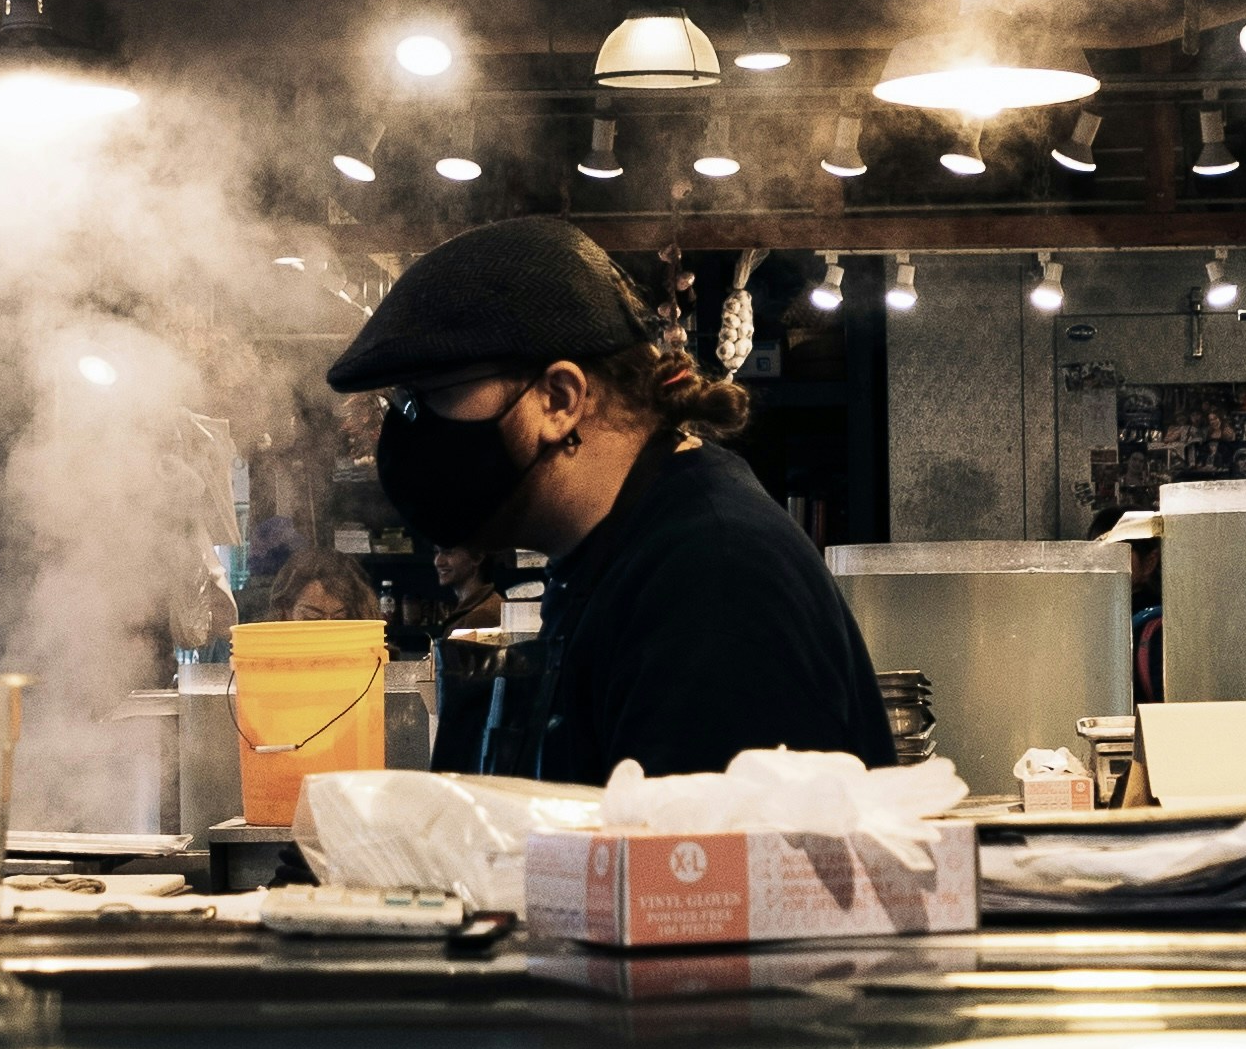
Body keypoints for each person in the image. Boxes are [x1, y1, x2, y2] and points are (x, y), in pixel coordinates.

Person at [326, 218, 888, 783]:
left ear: (558, 399)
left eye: (432, 395)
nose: (407, 429)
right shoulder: (613, 551)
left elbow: (696, 867)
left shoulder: (711, 574)